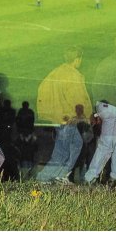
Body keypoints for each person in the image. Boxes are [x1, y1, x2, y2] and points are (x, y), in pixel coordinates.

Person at [35, 46, 93, 184]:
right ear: (78, 59)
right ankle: (46, 177)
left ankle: (59, 176)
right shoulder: (73, 75)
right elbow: (79, 100)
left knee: (70, 147)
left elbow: (42, 90)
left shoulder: (56, 72)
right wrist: (88, 116)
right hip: (69, 119)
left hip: (59, 118)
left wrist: (48, 113)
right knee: (64, 150)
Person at [84, 100, 116, 186]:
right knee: (107, 146)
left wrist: (96, 112)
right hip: (111, 108)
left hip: (111, 108)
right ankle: (90, 178)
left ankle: (115, 179)